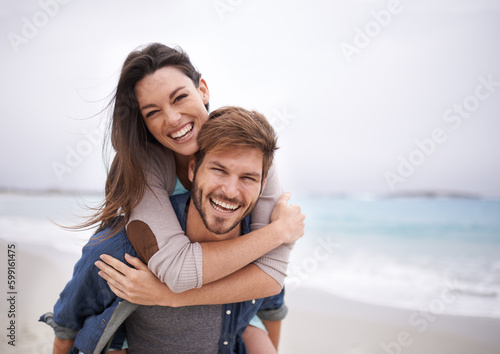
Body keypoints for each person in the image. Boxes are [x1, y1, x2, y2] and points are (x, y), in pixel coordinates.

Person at [42, 106, 293, 353]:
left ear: (263, 186)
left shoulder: (261, 243)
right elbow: (68, 324)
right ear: (193, 169)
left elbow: (271, 307)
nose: (229, 191)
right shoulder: (123, 248)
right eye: (219, 170)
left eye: (248, 178)